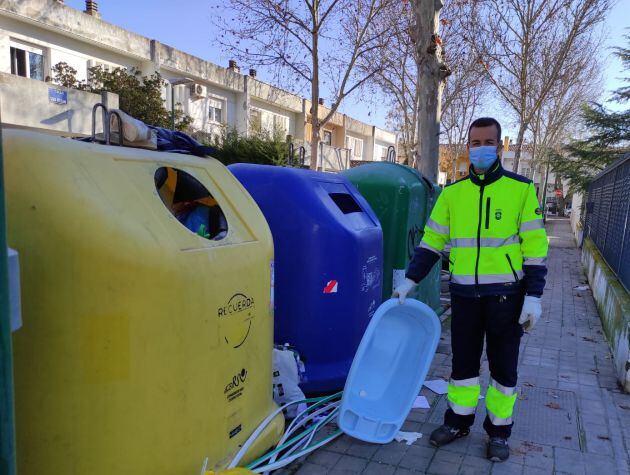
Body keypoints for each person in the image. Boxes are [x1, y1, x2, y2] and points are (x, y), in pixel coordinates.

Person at [394, 117, 548, 462]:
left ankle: (498, 432)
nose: (480, 148)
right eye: (474, 143)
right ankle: (458, 423)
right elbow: (432, 243)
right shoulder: (452, 194)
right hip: (464, 297)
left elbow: (535, 248)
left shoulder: (521, 190)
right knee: (462, 367)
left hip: (507, 298)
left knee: (503, 370)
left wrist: (534, 296)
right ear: (468, 146)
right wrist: (410, 281)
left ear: (500, 146)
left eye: (487, 142)